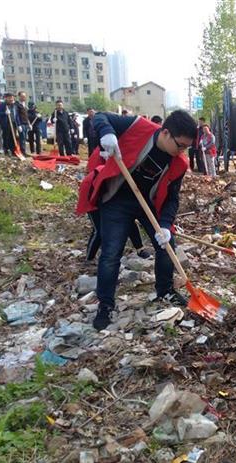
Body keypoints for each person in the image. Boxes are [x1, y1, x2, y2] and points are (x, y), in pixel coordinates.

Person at [75, 109, 196, 331]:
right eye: (180, 145)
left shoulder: (179, 163)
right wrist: (107, 133)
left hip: (149, 203)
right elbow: (101, 116)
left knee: (167, 245)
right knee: (111, 252)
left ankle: (165, 290)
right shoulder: (138, 127)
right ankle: (106, 305)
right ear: (166, 133)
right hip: (117, 198)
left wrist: (166, 226)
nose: (182, 152)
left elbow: (172, 198)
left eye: (186, 148)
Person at [15, 91, 29, 155]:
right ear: (19, 97)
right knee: (22, 138)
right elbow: (17, 115)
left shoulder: (25, 105)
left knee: (25, 138)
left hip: (26, 123)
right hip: (21, 124)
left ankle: (24, 150)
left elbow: (26, 115)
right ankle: (22, 151)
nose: (23, 98)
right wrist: (19, 124)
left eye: (24, 96)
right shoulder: (17, 105)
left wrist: (29, 123)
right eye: (22, 96)